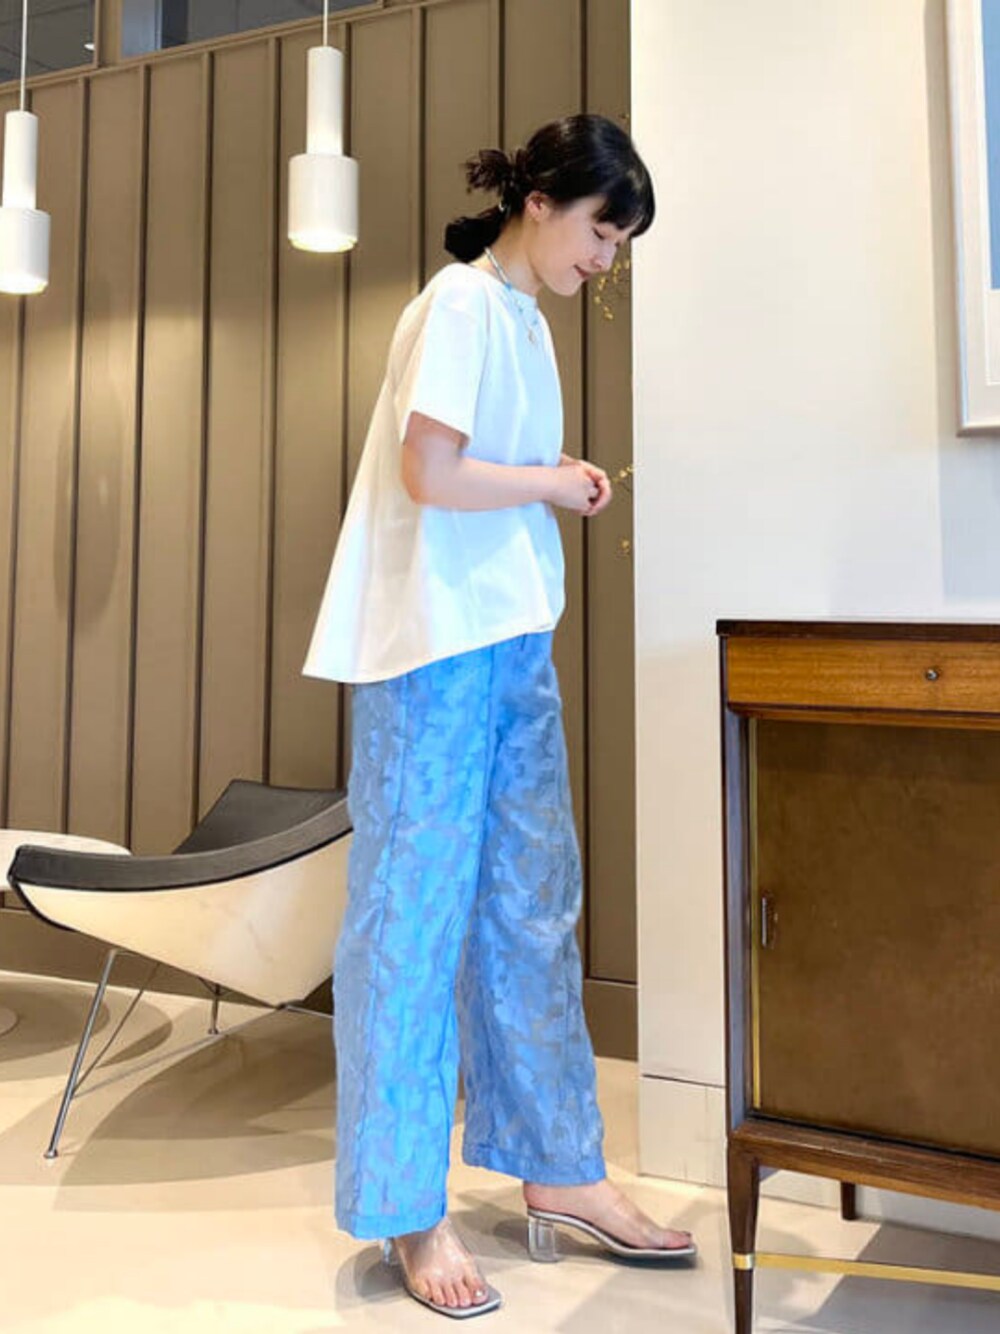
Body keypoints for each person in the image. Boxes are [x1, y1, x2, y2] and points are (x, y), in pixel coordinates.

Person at [304, 113, 695, 1320]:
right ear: (541, 203)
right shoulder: (462, 304)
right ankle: (406, 1207)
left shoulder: (523, 319)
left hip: (510, 636)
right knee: (410, 923)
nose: (606, 258)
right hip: (430, 647)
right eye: (601, 231)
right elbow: (428, 470)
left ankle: (560, 1165)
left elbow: (473, 472)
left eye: (620, 243)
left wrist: (548, 479)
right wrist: (554, 480)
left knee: (530, 907)